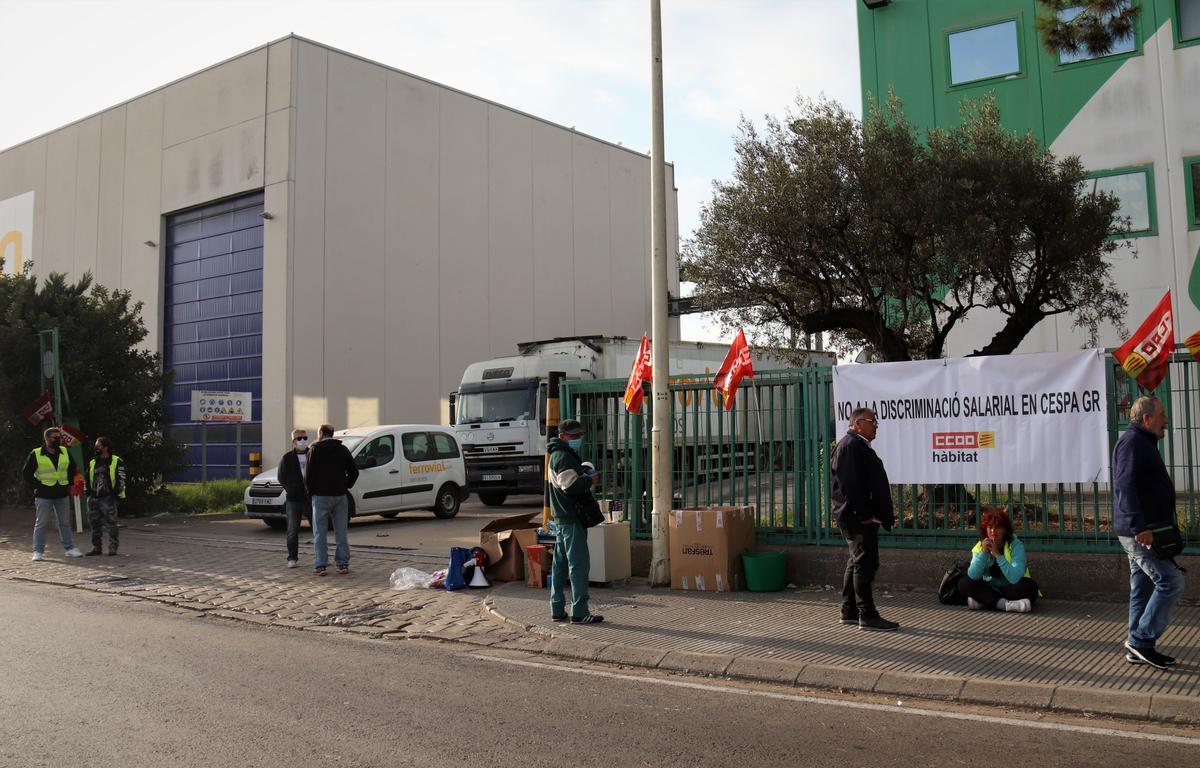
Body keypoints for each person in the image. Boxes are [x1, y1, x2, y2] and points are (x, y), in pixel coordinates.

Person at [1112, 396, 1185, 670]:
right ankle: (1142, 640)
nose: (1165, 420)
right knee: (1171, 582)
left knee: (1142, 588)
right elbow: (1125, 486)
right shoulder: (1133, 443)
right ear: (1147, 419)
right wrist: (1139, 526)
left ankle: (1136, 644)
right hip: (1140, 533)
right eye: (1162, 415)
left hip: (1144, 530)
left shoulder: (1142, 442)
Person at [831, 408, 898, 631]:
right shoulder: (850, 447)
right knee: (865, 564)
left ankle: (848, 610)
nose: (876, 425)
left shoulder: (857, 446)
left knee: (856, 562)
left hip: (859, 517)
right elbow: (850, 487)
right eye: (872, 421)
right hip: (858, 519)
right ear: (857, 424)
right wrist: (865, 514)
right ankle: (867, 614)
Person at [547, 418, 603, 624]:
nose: (578, 438)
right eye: (574, 435)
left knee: (559, 565)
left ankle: (557, 608)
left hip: (561, 518)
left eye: (579, 435)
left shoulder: (555, 455)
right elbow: (569, 487)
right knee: (578, 565)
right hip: (571, 519)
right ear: (562, 436)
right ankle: (579, 611)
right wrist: (590, 480)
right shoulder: (563, 457)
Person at [956, 507, 1038, 612]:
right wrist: (984, 553)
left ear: (1005, 530)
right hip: (987, 587)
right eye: (990, 527)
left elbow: (1015, 578)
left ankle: (985, 601)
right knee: (964, 583)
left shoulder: (1016, 545)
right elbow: (973, 575)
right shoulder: (980, 545)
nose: (993, 531)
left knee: (1030, 587)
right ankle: (1005, 605)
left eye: (998, 527)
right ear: (985, 529)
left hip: (1009, 587)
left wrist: (998, 555)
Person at [22, 426, 84, 561]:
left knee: (64, 522)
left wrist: (71, 482)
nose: (59, 440)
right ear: (46, 439)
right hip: (44, 495)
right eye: (55, 438)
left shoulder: (65, 452)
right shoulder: (36, 453)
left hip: (62, 493)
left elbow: (73, 469)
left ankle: (69, 548)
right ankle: (38, 551)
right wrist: (38, 485)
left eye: (59, 437)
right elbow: (26, 473)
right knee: (41, 523)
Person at [304, 423, 358, 576]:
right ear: (332, 434)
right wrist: (345, 485)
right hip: (340, 496)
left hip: (321, 496)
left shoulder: (314, 450)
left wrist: (311, 491)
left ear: (321, 433)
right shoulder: (342, 449)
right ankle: (342, 564)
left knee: (320, 532)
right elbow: (354, 471)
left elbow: (308, 475)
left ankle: (321, 565)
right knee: (341, 532)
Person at [277, 428, 313, 569]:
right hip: (293, 499)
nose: (302, 441)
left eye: (304, 437)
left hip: (311, 497)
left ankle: (322, 557)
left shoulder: (313, 454)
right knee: (292, 530)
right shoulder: (287, 458)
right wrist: (291, 488)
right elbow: (281, 477)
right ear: (293, 442)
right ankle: (292, 557)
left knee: (317, 529)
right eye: (299, 439)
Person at [85, 436, 126, 556]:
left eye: (98, 446)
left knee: (111, 523)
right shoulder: (93, 462)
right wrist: (87, 492)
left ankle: (113, 547)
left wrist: (115, 493)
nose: (96, 448)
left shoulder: (116, 461)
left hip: (108, 496)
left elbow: (121, 478)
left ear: (105, 447)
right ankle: (96, 547)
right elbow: (87, 478)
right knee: (94, 523)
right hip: (94, 496)